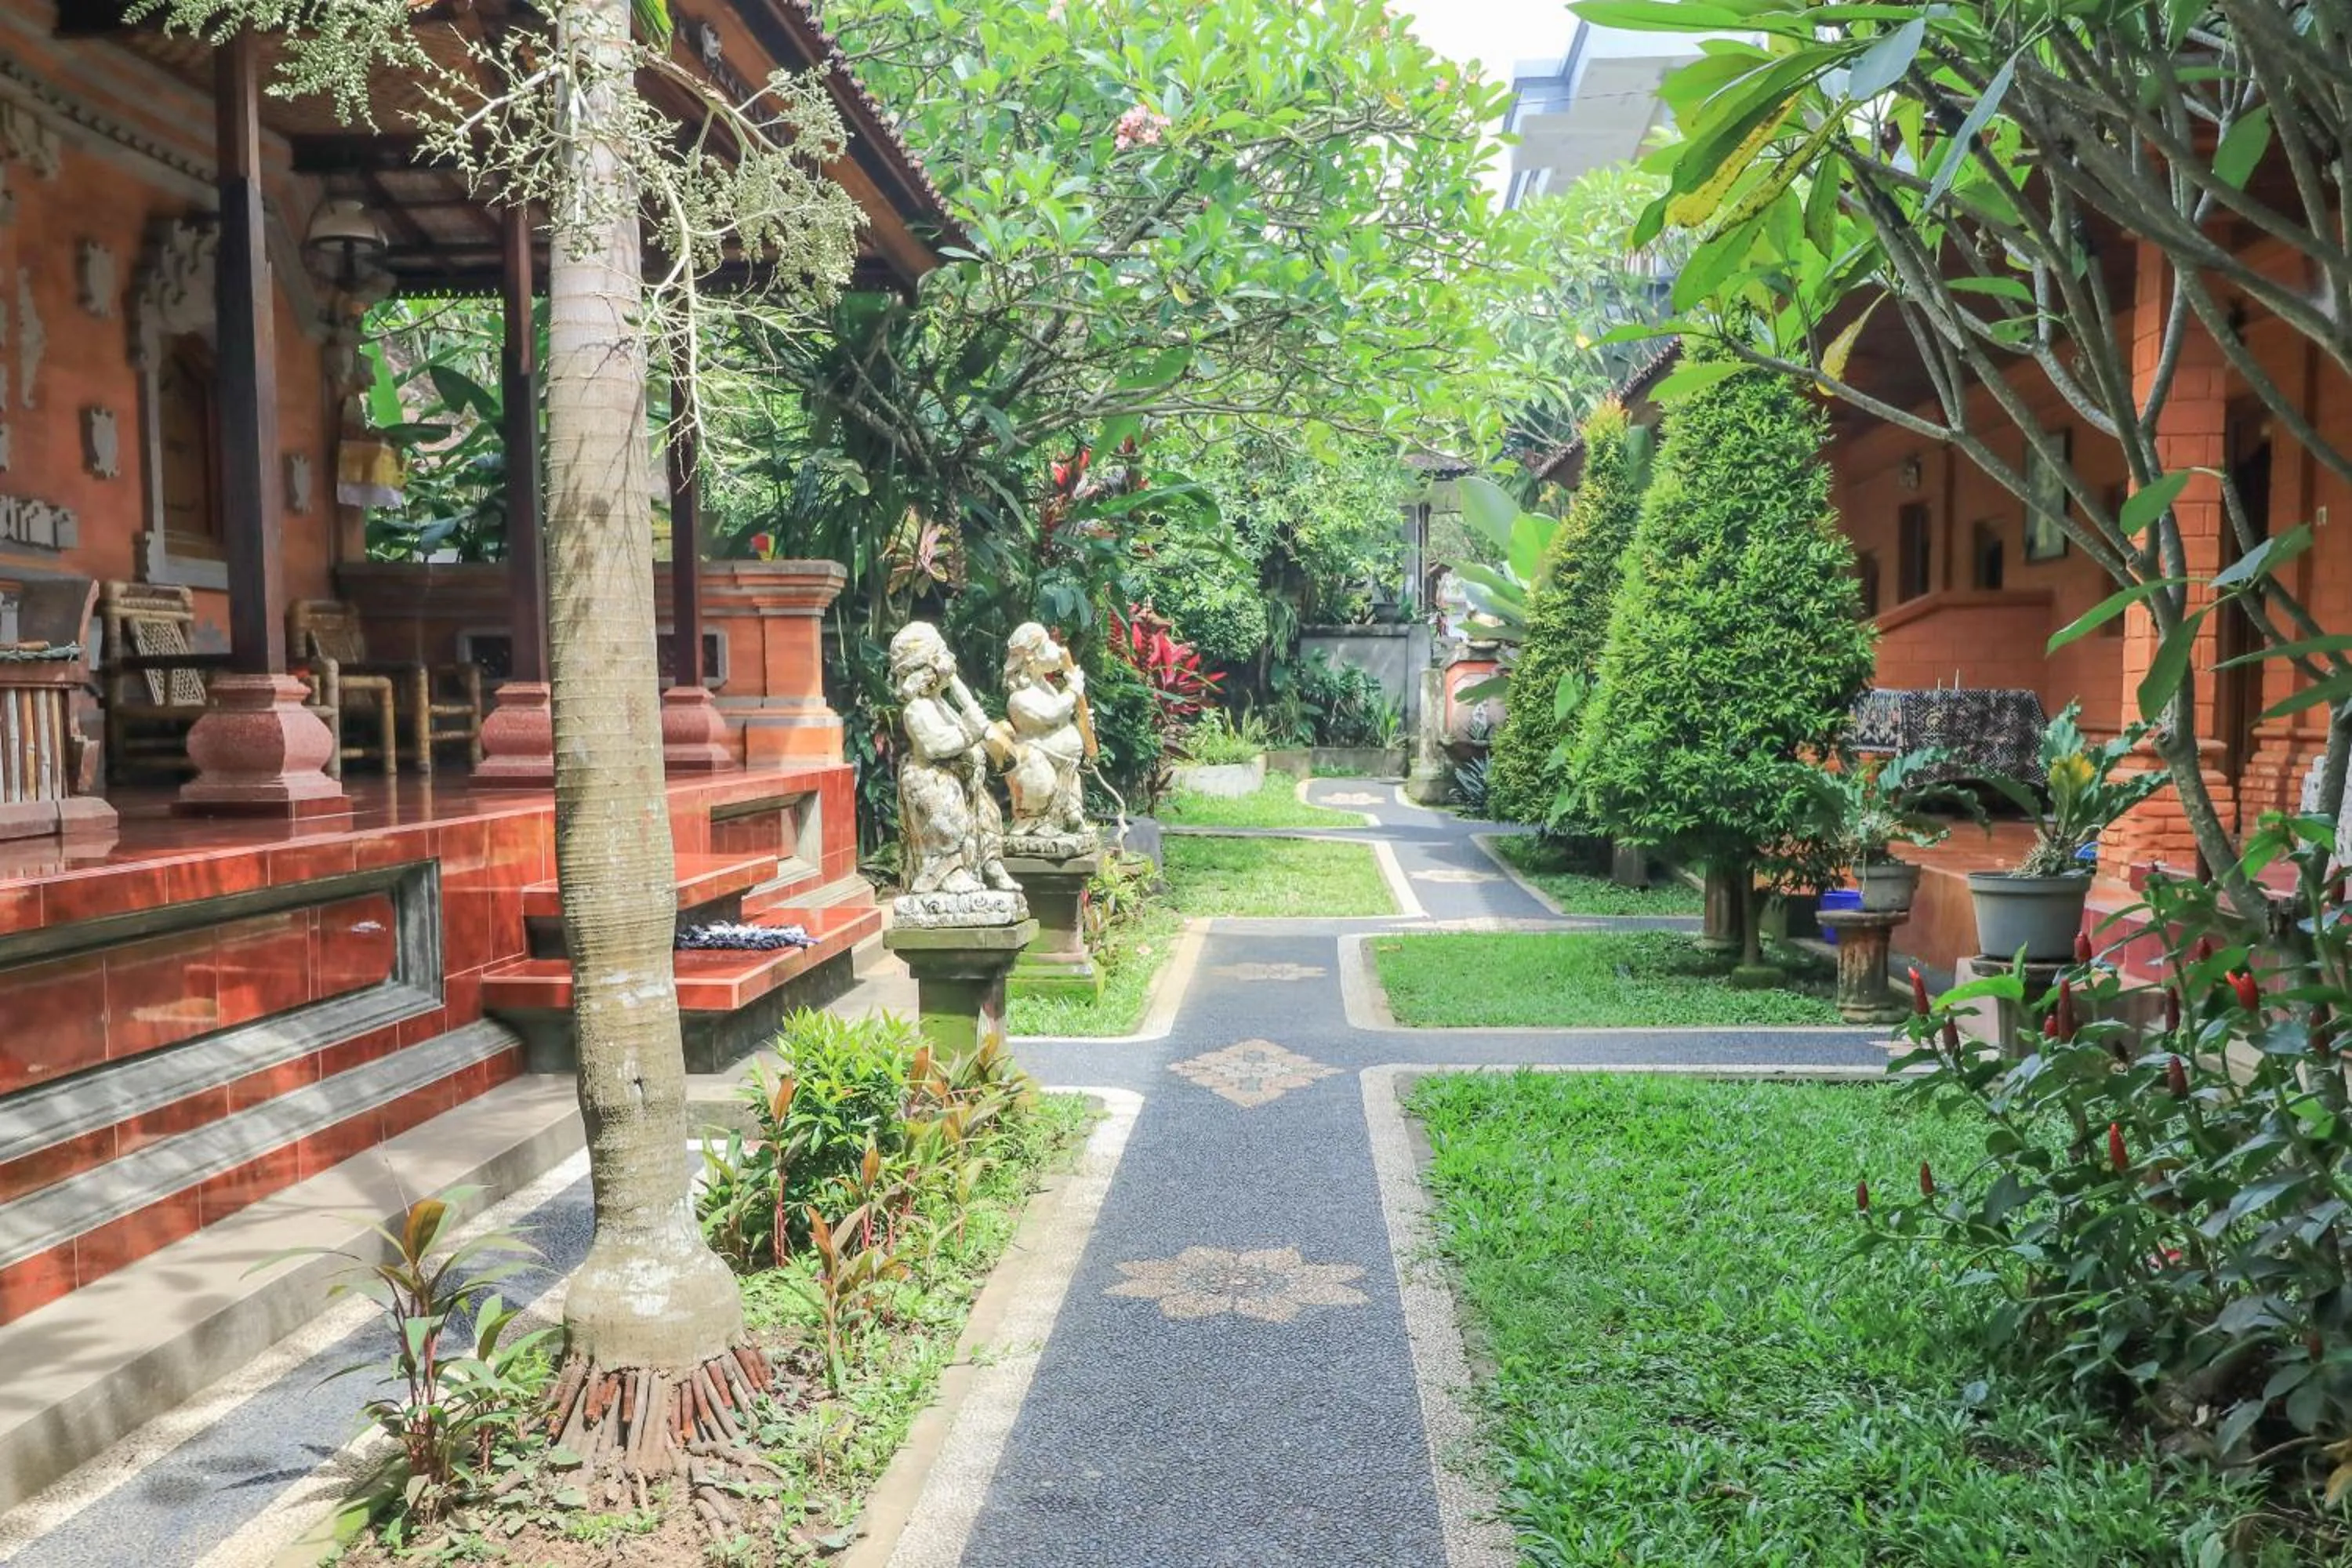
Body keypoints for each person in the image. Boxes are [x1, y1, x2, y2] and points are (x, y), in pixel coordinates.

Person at [888, 622, 1018, 896]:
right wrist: (969, 732)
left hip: (962, 776)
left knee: (989, 815)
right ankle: (947, 873)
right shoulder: (916, 710)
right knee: (948, 822)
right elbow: (935, 746)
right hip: (933, 780)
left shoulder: (941, 703)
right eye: (941, 656)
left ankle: (990, 863)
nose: (951, 661)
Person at [1000, 622, 1092, 840]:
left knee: (1071, 782)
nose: (1055, 649)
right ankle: (1035, 823)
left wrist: (1081, 718)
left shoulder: (1044, 687)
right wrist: (1073, 690)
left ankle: (1069, 815)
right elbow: (1051, 714)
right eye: (1046, 644)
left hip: (1064, 762)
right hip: (1036, 764)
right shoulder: (1019, 698)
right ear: (1030, 657)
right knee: (1041, 779)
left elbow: (1059, 718)